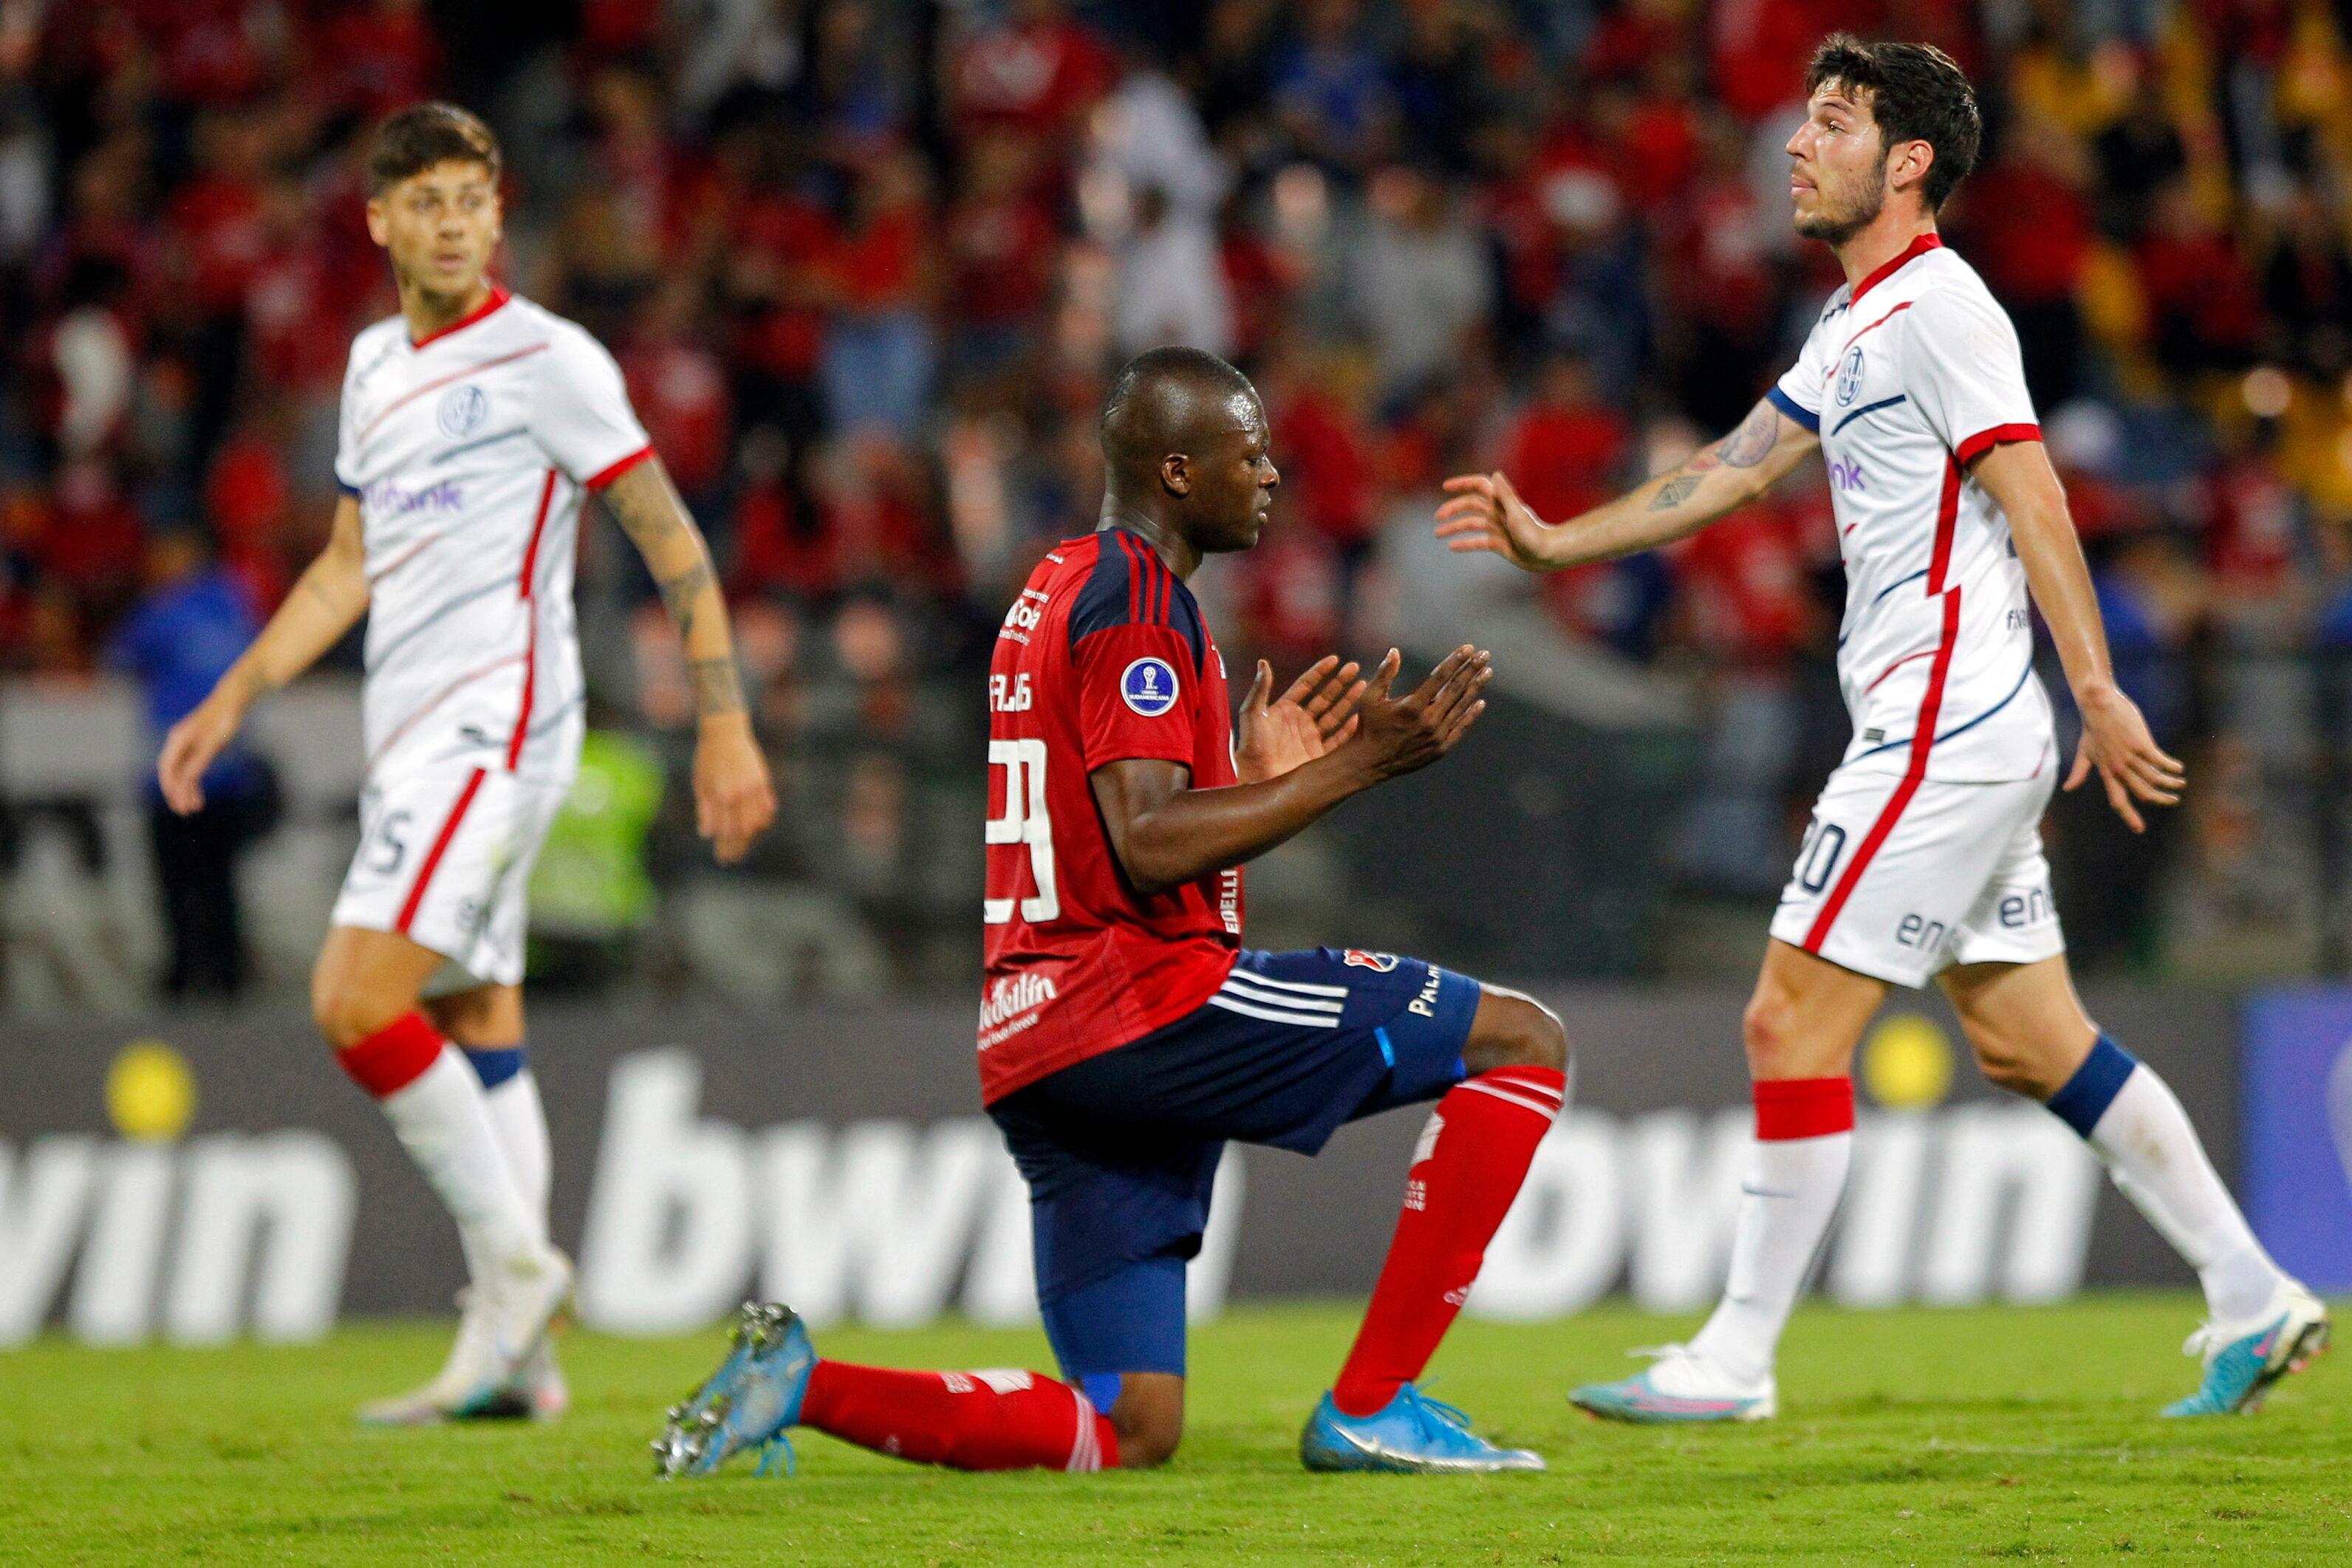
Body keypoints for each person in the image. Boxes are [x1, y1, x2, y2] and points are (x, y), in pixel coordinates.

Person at [1435, 37, 2324, 1422]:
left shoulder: (1942, 310)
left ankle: (1733, 1356)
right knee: (2031, 1037)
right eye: (1801, 120)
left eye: (1833, 123)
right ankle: (2250, 1291)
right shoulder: (1854, 323)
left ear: (1906, 163)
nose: (1796, 143)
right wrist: (1558, 542)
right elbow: (1728, 469)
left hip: (1942, 727)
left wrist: (2093, 683)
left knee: (1784, 1015)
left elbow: (2031, 495)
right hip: (1953, 724)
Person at [655, 346, 1568, 1479]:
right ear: (1178, 471)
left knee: (1129, 1426)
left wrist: (1245, 775)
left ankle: (798, 1382)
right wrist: (1360, 768)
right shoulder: (1137, 598)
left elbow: (1120, 830)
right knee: (1522, 1041)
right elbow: (1145, 845)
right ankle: (1376, 1403)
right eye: (1250, 453)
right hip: (1137, 1003)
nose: (1273, 474)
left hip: (1036, 1038)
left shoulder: (1057, 587)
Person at [157, 103, 777, 1425]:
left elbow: (670, 539)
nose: (450, 221)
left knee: (350, 998)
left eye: (470, 199)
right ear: (377, 219)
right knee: (471, 1010)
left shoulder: (551, 360)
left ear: (498, 216)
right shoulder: (375, 364)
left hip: (496, 731)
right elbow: (344, 567)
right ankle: (523, 1365)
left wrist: (721, 716)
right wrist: (235, 692)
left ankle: (515, 1268)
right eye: (422, 200)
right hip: (412, 735)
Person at [109, 530, 279, 999]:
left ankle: (185, 976)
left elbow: (121, 656)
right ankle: (226, 976)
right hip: (229, 776)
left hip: (176, 775)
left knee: (179, 883)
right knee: (220, 883)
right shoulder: (234, 601)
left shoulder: (163, 611)